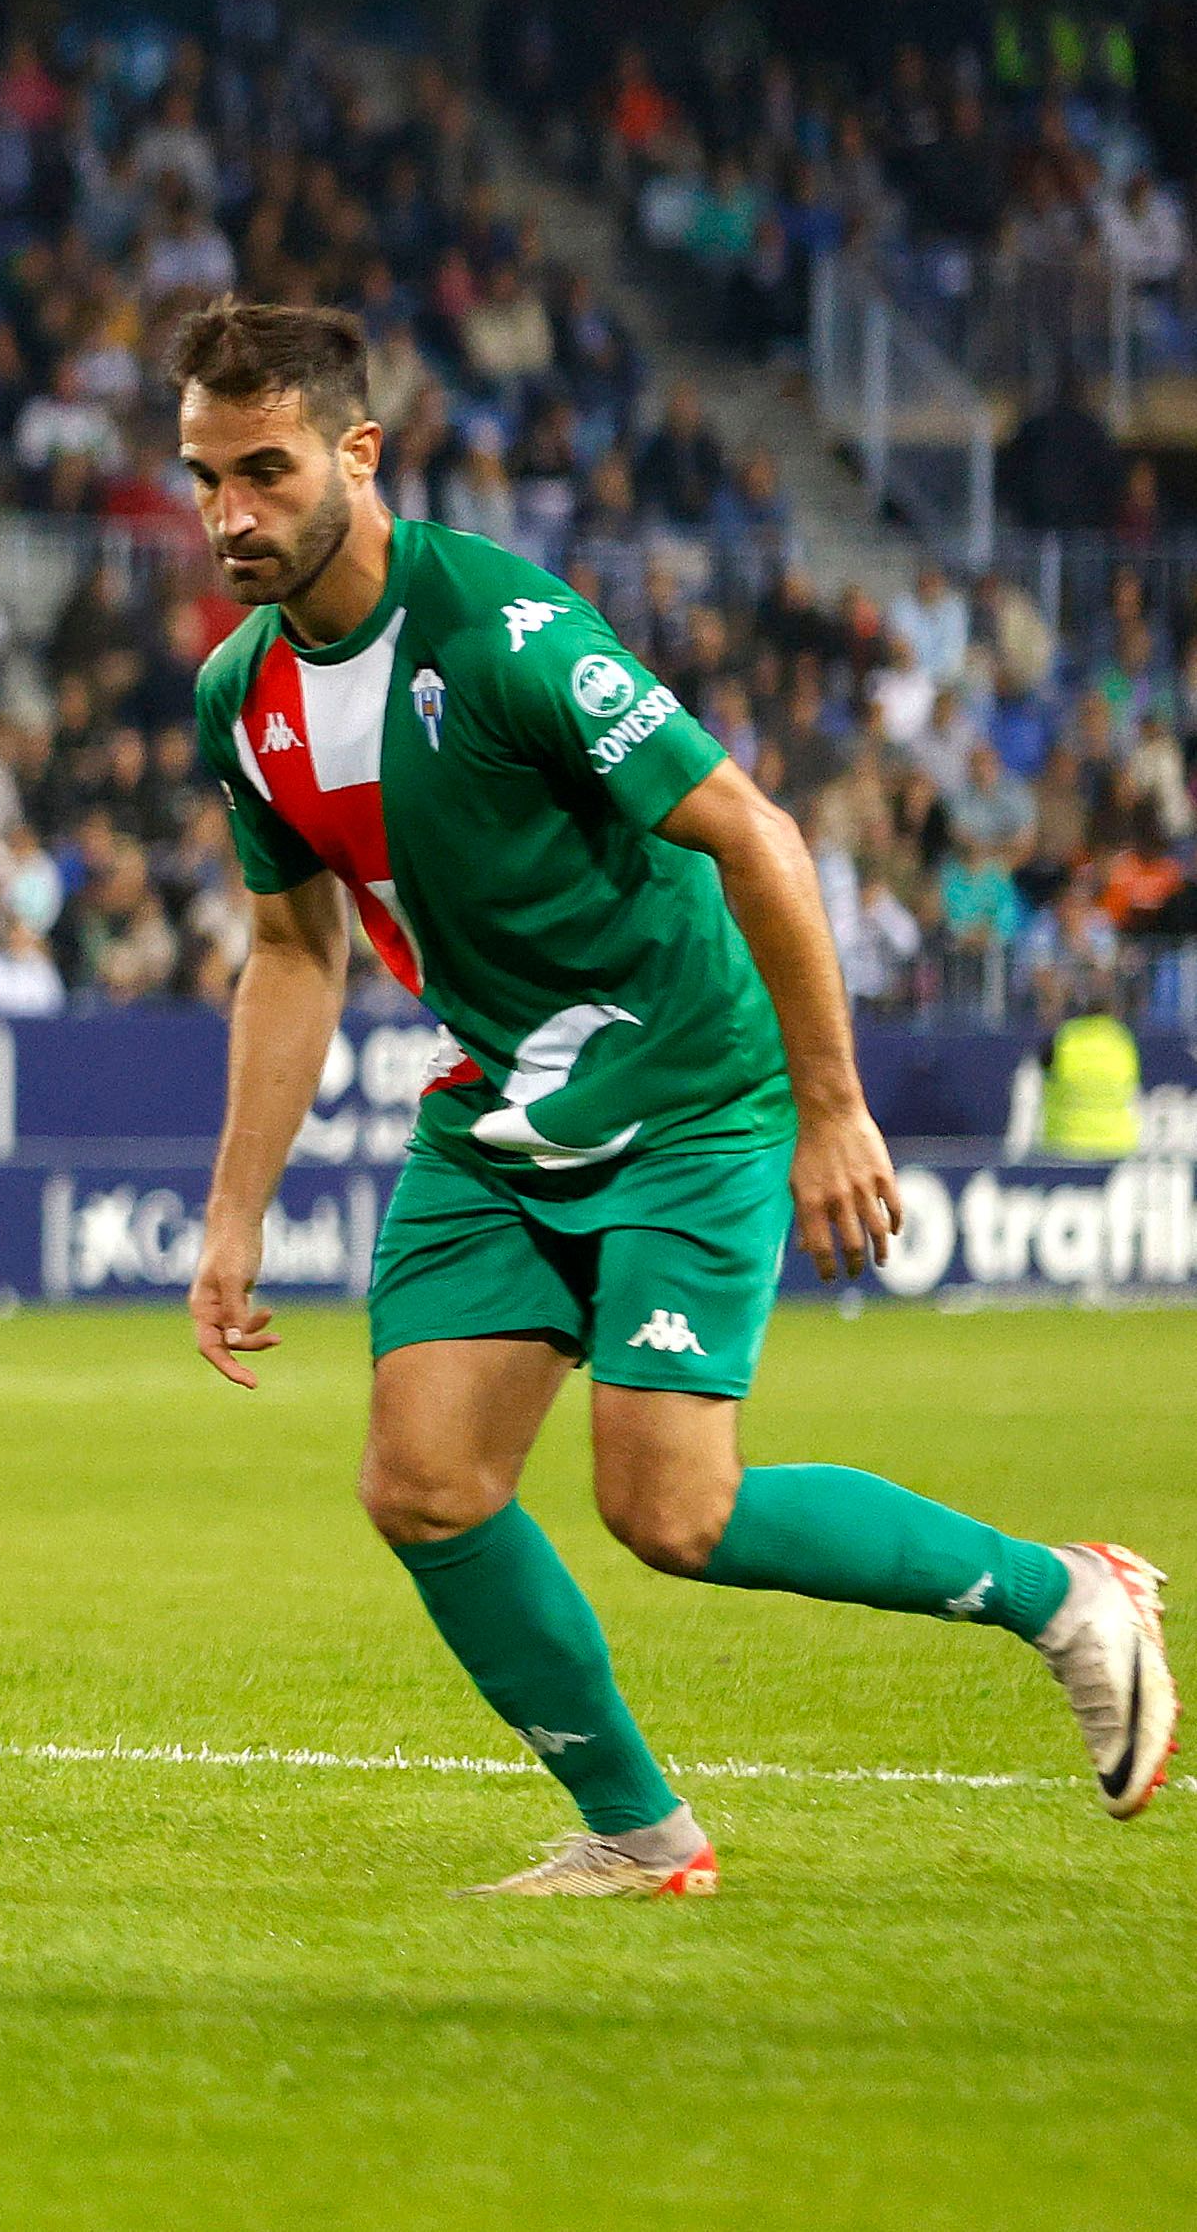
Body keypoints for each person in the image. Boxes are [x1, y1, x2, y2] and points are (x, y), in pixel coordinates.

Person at [169, 298, 1173, 1897]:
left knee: (669, 1508)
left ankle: (1067, 1593)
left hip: (687, 1086)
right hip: (498, 1104)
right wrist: (233, 1215)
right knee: (422, 1483)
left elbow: (754, 831)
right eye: (204, 477)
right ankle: (640, 1836)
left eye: (263, 471)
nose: (229, 513)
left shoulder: (504, 632)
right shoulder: (240, 696)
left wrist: (830, 1106)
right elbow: (292, 950)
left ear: (356, 454)